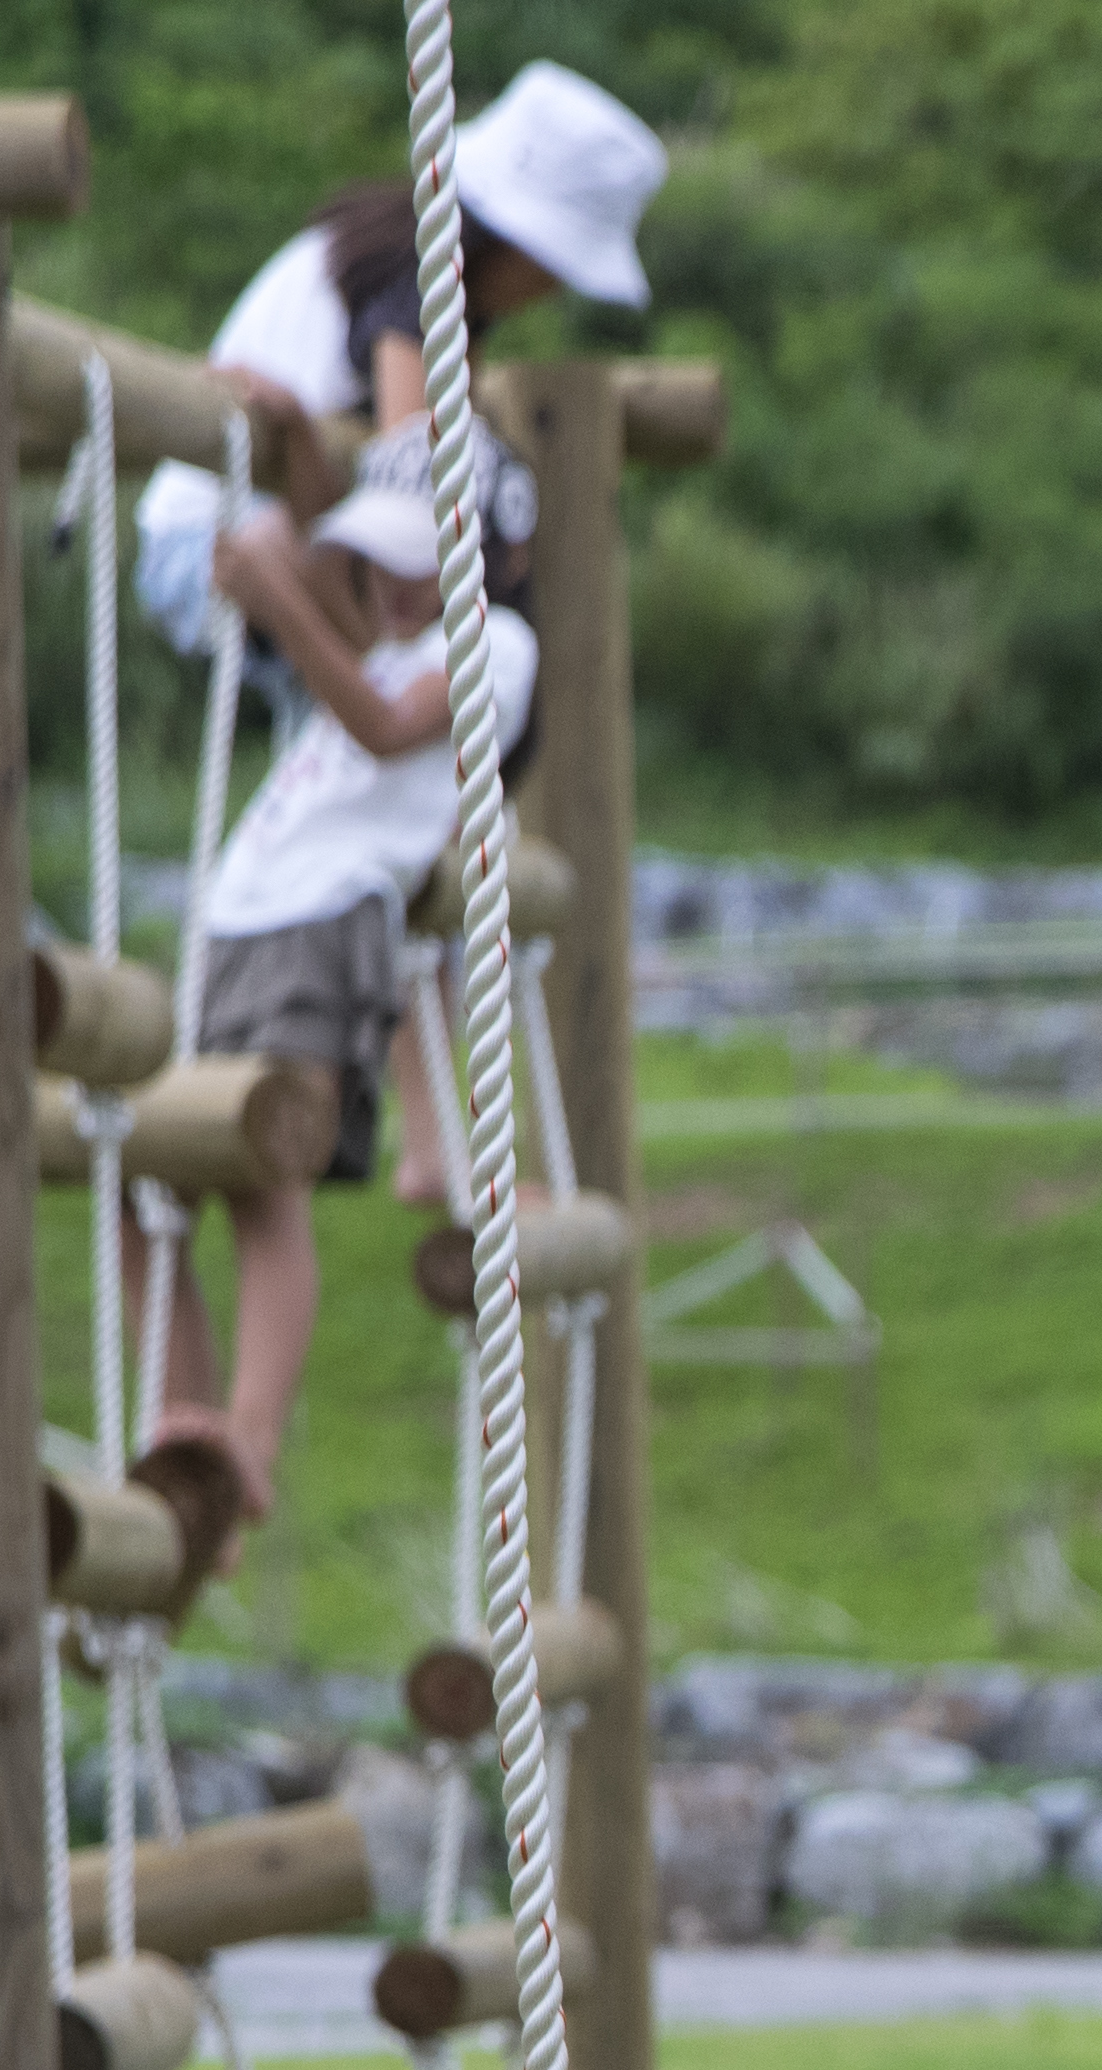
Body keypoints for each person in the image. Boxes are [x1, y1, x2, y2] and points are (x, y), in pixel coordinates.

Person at [131, 481, 538, 1525]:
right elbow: (306, 572)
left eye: (413, 568)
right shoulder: (381, 637)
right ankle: (184, 1437)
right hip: (239, 914)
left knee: (266, 1175)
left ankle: (252, 1443)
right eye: (377, 568)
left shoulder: (499, 644)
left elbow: (385, 725)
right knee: (157, 1186)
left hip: (327, 921)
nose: (390, 590)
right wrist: (271, 548)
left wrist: (282, 593)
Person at [129, 60, 666, 656]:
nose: (552, 290)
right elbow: (412, 480)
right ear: (517, 244)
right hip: (212, 540)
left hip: (287, 527)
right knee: (414, 659)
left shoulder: (447, 295)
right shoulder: (417, 278)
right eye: (557, 268)